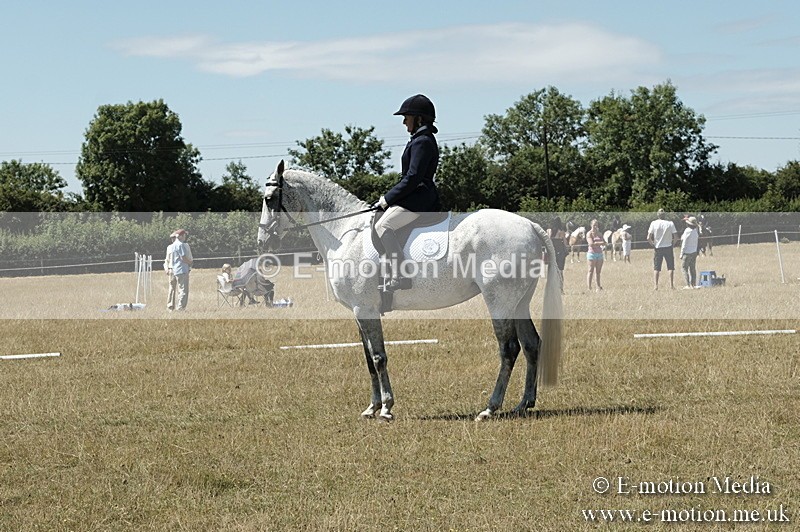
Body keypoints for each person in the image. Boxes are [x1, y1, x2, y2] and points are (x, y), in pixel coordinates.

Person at [372, 94, 441, 291]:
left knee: (384, 226)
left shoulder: (423, 141)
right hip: (415, 196)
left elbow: (412, 178)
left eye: (407, 117)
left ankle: (401, 275)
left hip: (420, 199)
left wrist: (386, 199)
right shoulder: (420, 139)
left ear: (418, 118)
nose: (404, 122)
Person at [647, 209, 678, 290]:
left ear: (658, 215)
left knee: (656, 267)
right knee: (670, 267)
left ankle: (656, 286)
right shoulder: (670, 223)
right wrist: (673, 244)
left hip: (658, 248)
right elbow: (676, 237)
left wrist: (653, 244)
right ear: (665, 215)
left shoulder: (653, 223)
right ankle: (671, 285)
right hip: (668, 247)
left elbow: (648, 237)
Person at [168, 229, 193, 310]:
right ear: (181, 236)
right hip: (182, 269)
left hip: (175, 269)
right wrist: (190, 262)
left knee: (176, 289)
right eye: (184, 235)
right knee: (183, 290)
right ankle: (181, 308)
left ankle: (174, 306)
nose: (185, 237)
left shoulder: (172, 246)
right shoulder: (181, 245)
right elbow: (183, 258)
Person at [680, 216, 700, 289]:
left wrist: (681, 253)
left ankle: (687, 285)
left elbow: (684, 242)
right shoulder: (695, 231)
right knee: (692, 268)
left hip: (687, 252)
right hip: (694, 252)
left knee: (684, 268)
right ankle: (693, 284)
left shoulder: (687, 230)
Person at [586, 219, 604, 291]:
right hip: (592, 254)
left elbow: (604, 242)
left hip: (599, 254)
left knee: (598, 272)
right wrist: (599, 243)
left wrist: (597, 243)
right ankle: (589, 287)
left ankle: (598, 286)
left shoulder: (599, 234)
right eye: (594, 225)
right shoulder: (589, 234)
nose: (595, 227)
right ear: (591, 225)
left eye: (596, 225)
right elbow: (591, 244)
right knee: (590, 270)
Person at [164, 232, 178, 311]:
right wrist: (166, 268)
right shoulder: (169, 247)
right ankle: (170, 306)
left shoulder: (180, 246)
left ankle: (179, 306)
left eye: (174, 238)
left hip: (178, 269)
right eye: (172, 238)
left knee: (180, 289)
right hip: (172, 269)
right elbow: (167, 259)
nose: (173, 239)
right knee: (172, 288)